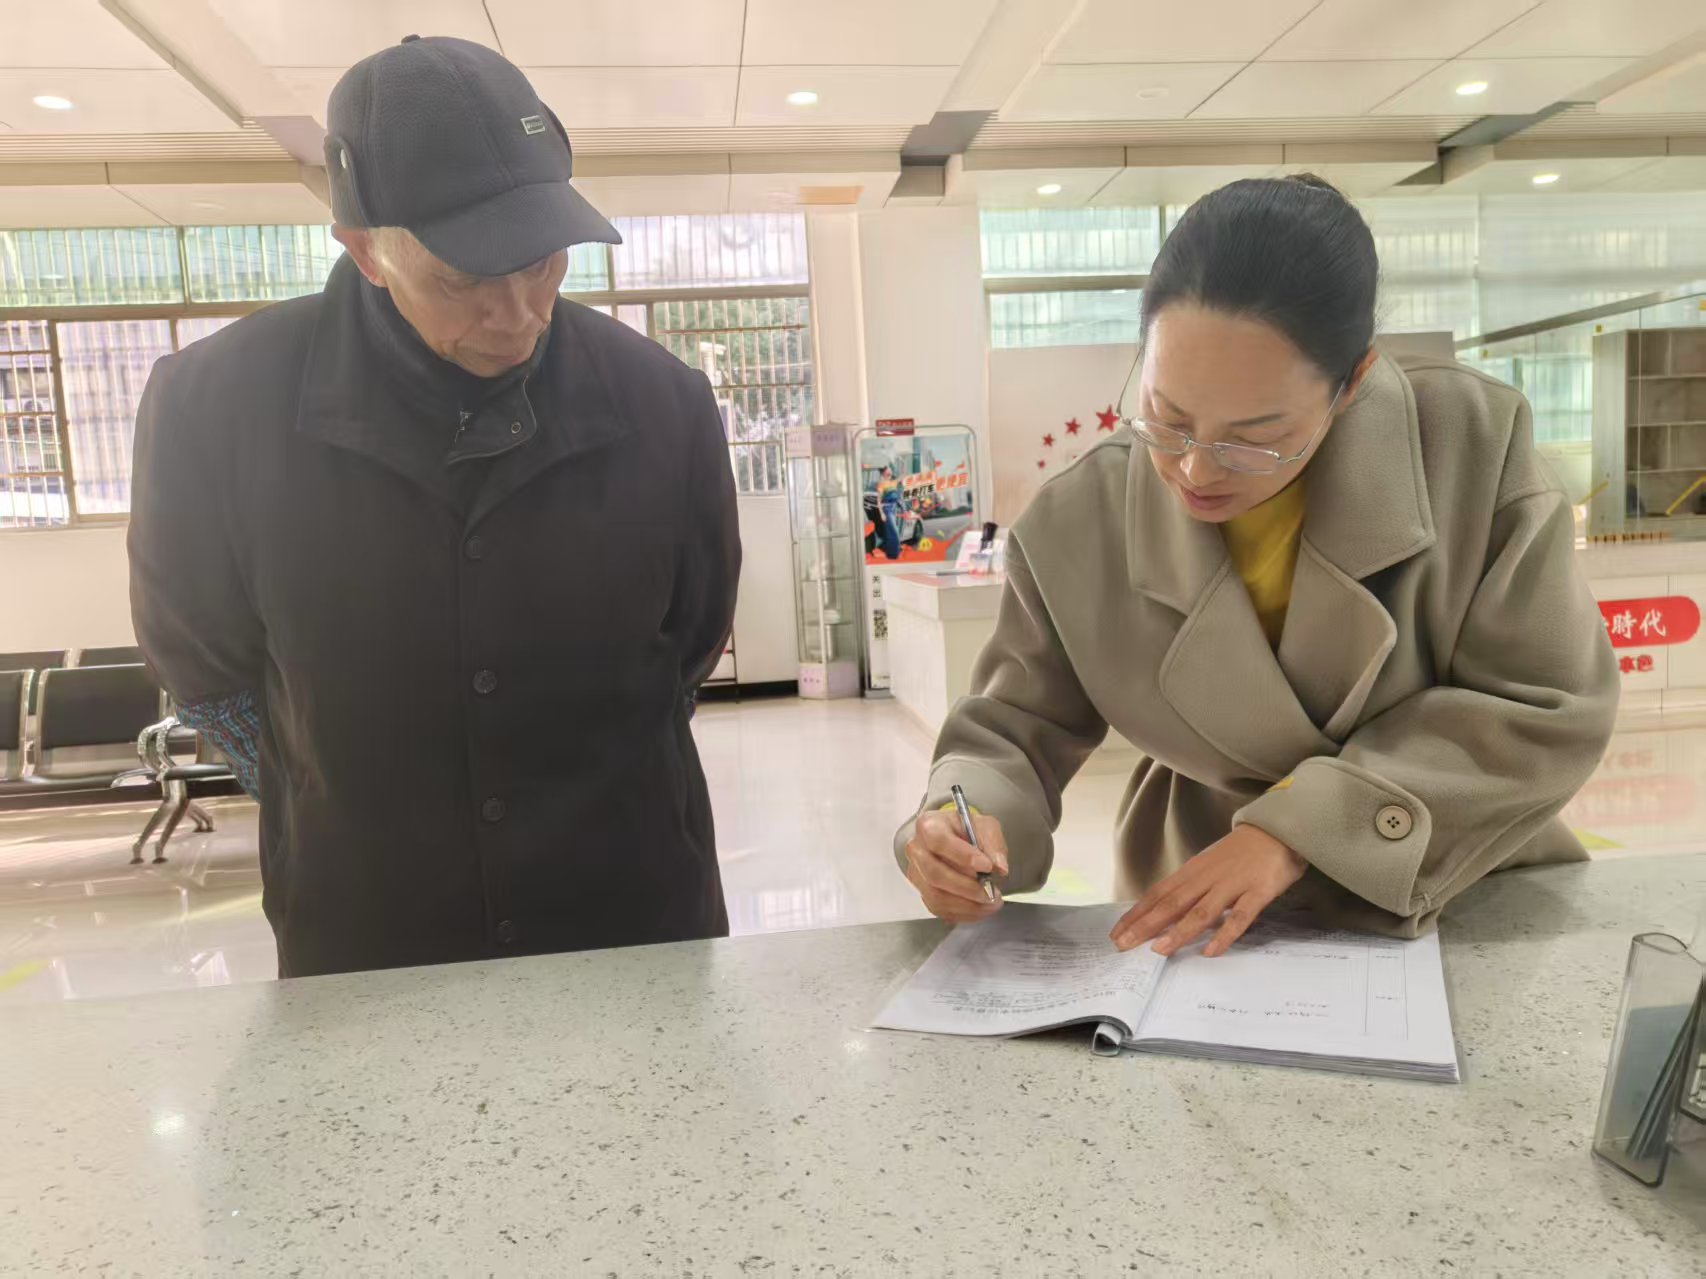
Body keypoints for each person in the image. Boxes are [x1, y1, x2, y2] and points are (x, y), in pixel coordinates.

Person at [128, 36, 740, 977]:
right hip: (370, 929)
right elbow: (201, 660)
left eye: (543, 262)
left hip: (630, 915)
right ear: (366, 249)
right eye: (465, 278)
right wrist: (326, 789)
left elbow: (691, 641)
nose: (519, 313)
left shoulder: (664, 402)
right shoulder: (213, 409)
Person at [896, 175, 1618, 956]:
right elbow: (1014, 728)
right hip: (1203, 908)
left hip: (1455, 876)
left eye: (1256, 437)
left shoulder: (1472, 446)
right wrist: (965, 821)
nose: (1197, 470)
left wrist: (1300, 828)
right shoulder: (1080, 519)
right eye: (1167, 418)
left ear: (1354, 383)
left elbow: (1547, 702)